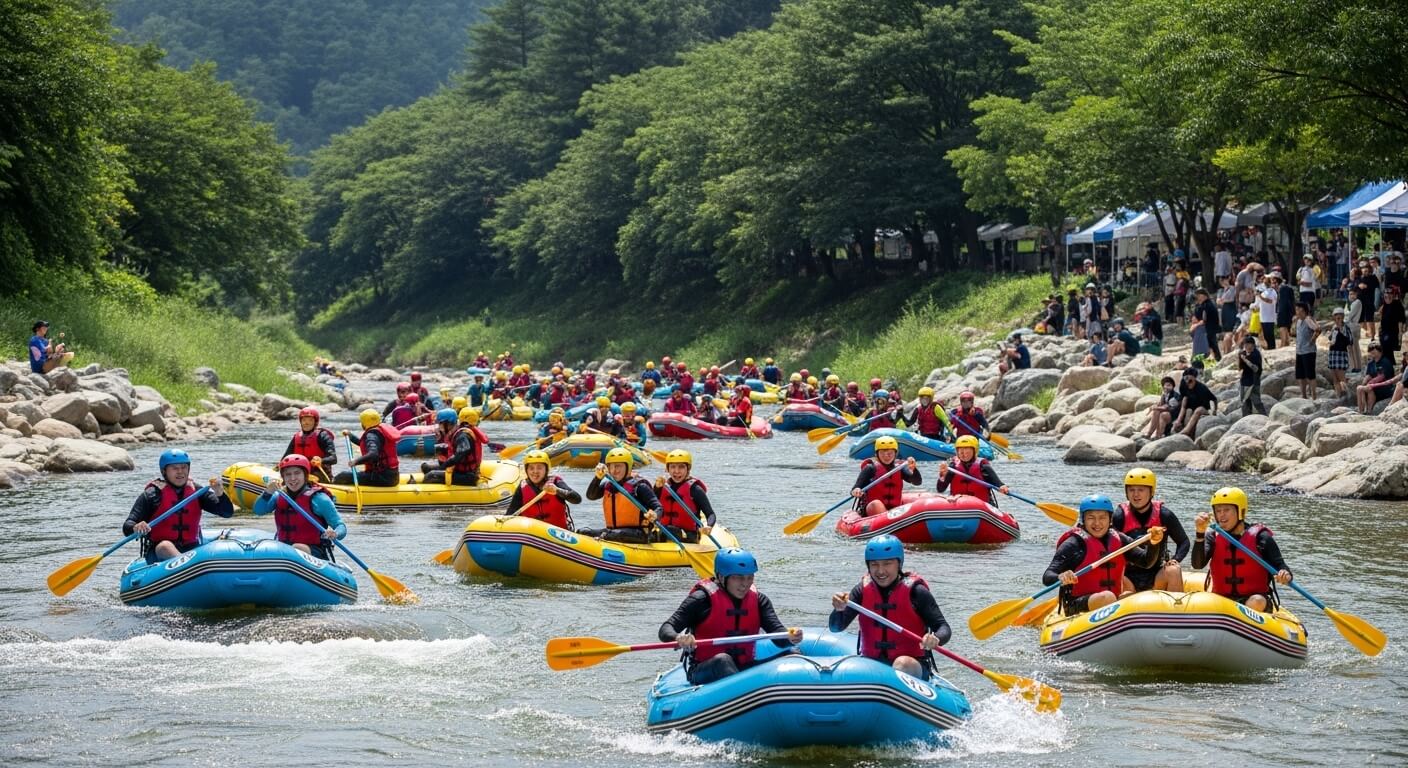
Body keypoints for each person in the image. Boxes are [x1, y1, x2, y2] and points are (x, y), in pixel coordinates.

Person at [660, 549, 802, 685]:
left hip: (744, 666)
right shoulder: (701, 600)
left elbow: (778, 635)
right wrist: (678, 638)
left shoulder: (759, 601)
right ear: (721, 577)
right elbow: (666, 629)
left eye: (749, 577)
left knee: (792, 654)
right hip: (705, 668)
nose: (745, 584)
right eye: (738, 578)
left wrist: (790, 637)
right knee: (723, 661)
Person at [829, 535, 950, 680]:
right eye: (874, 564)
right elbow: (836, 627)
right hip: (872, 663)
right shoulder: (861, 591)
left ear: (898, 564)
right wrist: (838, 609)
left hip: (912, 666)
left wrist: (935, 638)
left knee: (902, 664)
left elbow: (943, 627)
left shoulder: (916, 592)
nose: (880, 571)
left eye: (887, 563)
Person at [1043, 494, 1162, 614]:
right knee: (1107, 597)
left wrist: (1154, 544)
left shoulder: (1119, 539)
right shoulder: (1073, 544)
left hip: (1112, 600)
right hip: (1077, 603)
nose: (1097, 523)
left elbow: (1146, 562)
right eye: (1091, 518)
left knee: (1132, 597)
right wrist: (1061, 577)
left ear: (1110, 519)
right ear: (1083, 519)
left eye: (1102, 518)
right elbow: (1047, 576)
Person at [122, 449, 234, 562]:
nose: (180, 472)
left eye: (184, 467)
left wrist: (220, 493)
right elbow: (127, 526)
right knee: (165, 546)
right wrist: (136, 527)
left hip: (192, 548)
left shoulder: (197, 492)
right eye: (175, 468)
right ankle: (189, 566)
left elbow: (227, 512)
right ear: (164, 471)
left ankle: (191, 565)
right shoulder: (152, 495)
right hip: (159, 553)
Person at [1192, 487, 1292, 613]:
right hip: (1222, 600)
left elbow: (1280, 566)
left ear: (1240, 512)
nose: (1221, 514)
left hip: (1254, 601)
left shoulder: (1261, 537)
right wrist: (1200, 533)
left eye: (1227, 510)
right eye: (1218, 510)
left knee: (1256, 601)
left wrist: (1285, 575)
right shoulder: (1213, 536)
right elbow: (1197, 564)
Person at [254, 454, 345, 560]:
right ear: (283, 477)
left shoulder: (319, 499)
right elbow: (258, 511)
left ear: (305, 475)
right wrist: (267, 493)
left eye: (297, 473)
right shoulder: (279, 495)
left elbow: (340, 526)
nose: (292, 478)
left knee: (298, 548)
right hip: (283, 548)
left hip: (313, 552)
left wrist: (335, 533)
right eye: (288, 474)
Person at [1111, 468, 1187, 592]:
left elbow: (1183, 541)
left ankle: (1175, 609)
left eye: (1141, 490)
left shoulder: (1164, 515)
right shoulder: (1119, 516)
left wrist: (1175, 559)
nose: (1136, 494)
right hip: (1127, 576)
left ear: (1151, 491)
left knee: (1174, 570)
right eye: (1131, 490)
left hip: (1157, 574)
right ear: (1126, 492)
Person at [580, 447, 663, 543]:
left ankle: (604, 538)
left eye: (618, 466)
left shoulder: (640, 486)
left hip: (639, 533)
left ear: (628, 467)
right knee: (583, 531)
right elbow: (591, 496)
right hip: (612, 532)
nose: (614, 470)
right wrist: (597, 478)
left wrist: (655, 514)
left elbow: (658, 507)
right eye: (611, 466)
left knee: (615, 534)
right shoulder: (608, 485)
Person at [654, 449, 717, 543]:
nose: (677, 471)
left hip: (688, 534)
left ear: (688, 469)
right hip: (665, 530)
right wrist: (656, 488)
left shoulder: (695, 489)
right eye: (673, 467)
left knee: (671, 531)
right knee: (660, 532)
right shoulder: (662, 486)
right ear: (667, 469)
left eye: (681, 467)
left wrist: (709, 526)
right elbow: (650, 506)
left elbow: (710, 514)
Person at [508, 450, 581, 529]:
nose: (535, 471)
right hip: (533, 534)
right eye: (531, 468)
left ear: (546, 470)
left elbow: (577, 499)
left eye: (539, 468)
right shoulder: (522, 487)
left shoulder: (556, 482)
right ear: (526, 470)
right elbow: (510, 513)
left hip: (559, 533)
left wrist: (557, 490)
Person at [850, 436, 921, 517]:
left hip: (895, 510)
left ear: (895, 453)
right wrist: (856, 490)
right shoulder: (870, 468)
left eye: (890, 453)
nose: (886, 456)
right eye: (882, 453)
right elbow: (855, 488)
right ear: (877, 454)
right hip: (873, 511)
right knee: (876, 504)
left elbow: (917, 482)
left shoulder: (900, 468)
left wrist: (914, 469)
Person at [334, 409, 400, 487]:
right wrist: (350, 436)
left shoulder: (371, 435)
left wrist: (356, 461)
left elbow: (373, 454)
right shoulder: (380, 431)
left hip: (382, 478)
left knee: (342, 476)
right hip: (392, 476)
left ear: (364, 423)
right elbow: (365, 445)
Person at [935, 435, 1007, 505]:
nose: (964, 455)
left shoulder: (983, 466)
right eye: (961, 452)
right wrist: (942, 477)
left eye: (967, 451)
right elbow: (940, 489)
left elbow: (997, 483)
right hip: (958, 505)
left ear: (974, 451)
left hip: (982, 505)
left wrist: (1002, 487)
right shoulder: (953, 466)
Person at [421, 407, 485, 486]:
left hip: (468, 476)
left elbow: (460, 453)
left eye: (440, 423)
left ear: (448, 423)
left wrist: (443, 466)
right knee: (426, 467)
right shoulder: (456, 433)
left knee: (431, 476)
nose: (439, 426)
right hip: (459, 471)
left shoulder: (463, 436)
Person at [283, 407, 337, 481]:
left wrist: (321, 460)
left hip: (320, 474)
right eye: (304, 420)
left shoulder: (323, 436)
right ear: (300, 422)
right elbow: (286, 457)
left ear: (315, 422)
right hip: (299, 472)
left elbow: (333, 458)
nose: (306, 423)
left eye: (310, 420)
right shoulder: (296, 437)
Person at [1172, 367, 1217, 437]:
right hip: (1191, 406)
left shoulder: (1201, 388)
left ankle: (1186, 431)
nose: (1188, 383)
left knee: (1198, 410)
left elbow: (1214, 399)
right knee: (1188, 410)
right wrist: (1178, 420)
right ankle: (1188, 434)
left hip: (1204, 408)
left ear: (1194, 379)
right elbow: (1184, 404)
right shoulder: (1183, 385)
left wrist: (1215, 411)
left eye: (1190, 381)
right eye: (1186, 379)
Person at [1355, 342, 1395, 413]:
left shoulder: (1385, 362)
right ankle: (1361, 410)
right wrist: (1364, 382)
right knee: (1359, 388)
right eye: (1370, 350)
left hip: (1384, 387)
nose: (1371, 351)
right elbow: (1369, 375)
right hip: (1375, 387)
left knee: (1367, 388)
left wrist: (1370, 384)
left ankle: (1369, 410)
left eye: (1374, 349)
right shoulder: (1371, 363)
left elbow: (1381, 377)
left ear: (1380, 351)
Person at [1294, 302, 1320, 400]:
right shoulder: (1298, 321)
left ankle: (1314, 396)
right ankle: (1304, 395)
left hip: (1308, 351)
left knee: (1310, 374)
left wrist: (1312, 340)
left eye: (1298, 310)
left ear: (1303, 310)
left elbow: (1317, 329)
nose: (1296, 312)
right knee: (1301, 375)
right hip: (1300, 351)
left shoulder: (1307, 320)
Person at [1326, 307, 1352, 398]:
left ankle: (1347, 396)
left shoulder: (1345, 327)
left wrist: (1340, 329)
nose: (1337, 320)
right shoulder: (1334, 328)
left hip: (1341, 354)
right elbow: (1331, 339)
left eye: (1339, 318)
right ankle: (1338, 395)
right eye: (1336, 317)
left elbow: (1349, 340)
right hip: (1333, 353)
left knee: (1341, 378)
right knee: (1335, 378)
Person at [1238, 336, 1266, 416]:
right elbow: (1240, 368)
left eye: (1249, 345)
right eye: (1245, 345)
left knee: (1257, 402)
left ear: (1253, 345)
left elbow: (1256, 369)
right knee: (1245, 403)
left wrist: (1245, 360)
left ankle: (1264, 416)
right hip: (1245, 381)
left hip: (1253, 382)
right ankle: (1246, 418)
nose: (1247, 347)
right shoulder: (1244, 353)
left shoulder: (1255, 354)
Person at [1191, 287, 1222, 361]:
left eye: (1198, 295)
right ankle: (1215, 361)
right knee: (1211, 347)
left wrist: (1196, 324)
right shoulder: (1203, 305)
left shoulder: (1207, 305)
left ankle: (1215, 362)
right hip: (1206, 329)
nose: (1197, 298)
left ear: (1203, 295)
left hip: (1208, 329)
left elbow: (1203, 319)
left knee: (1210, 347)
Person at [1380, 286, 1405, 367]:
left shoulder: (1397, 304)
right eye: (1386, 296)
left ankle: (1389, 363)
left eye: (1390, 295)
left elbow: (1400, 320)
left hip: (1393, 330)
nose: (1387, 297)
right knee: (1384, 347)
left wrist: (1400, 333)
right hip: (1384, 330)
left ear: (1394, 296)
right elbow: (1383, 317)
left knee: (1387, 345)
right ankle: (1390, 363)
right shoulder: (1385, 304)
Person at [1256, 272, 1278, 349]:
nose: (1264, 280)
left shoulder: (1272, 291)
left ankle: (1272, 348)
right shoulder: (1264, 291)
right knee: (1266, 334)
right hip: (1263, 316)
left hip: (1269, 317)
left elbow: (1270, 301)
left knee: (1269, 334)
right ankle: (1270, 347)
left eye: (1265, 279)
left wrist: (1260, 297)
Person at [1274, 273, 1296, 348]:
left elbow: (1282, 303)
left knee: (1282, 327)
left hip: (1282, 312)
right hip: (1289, 312)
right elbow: (1292, 301)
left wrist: (1278, 312)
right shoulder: (1288, 288)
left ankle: (1283, 344)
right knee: (1286, 328)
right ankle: (1286, 343)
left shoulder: (1282, 290)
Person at [1346, 285, 1365, 372]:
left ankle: (1357, 366)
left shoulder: (1358, 302)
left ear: (1356, 294)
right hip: (1348, 327)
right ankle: (1352, 366)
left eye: (1353, 294)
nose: (1351, 296)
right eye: (1350, 294)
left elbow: (1349, 316)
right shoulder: (1349, 303)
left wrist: (1344, 320)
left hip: (1353, 327)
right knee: (1349, 348)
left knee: (1355, 348)